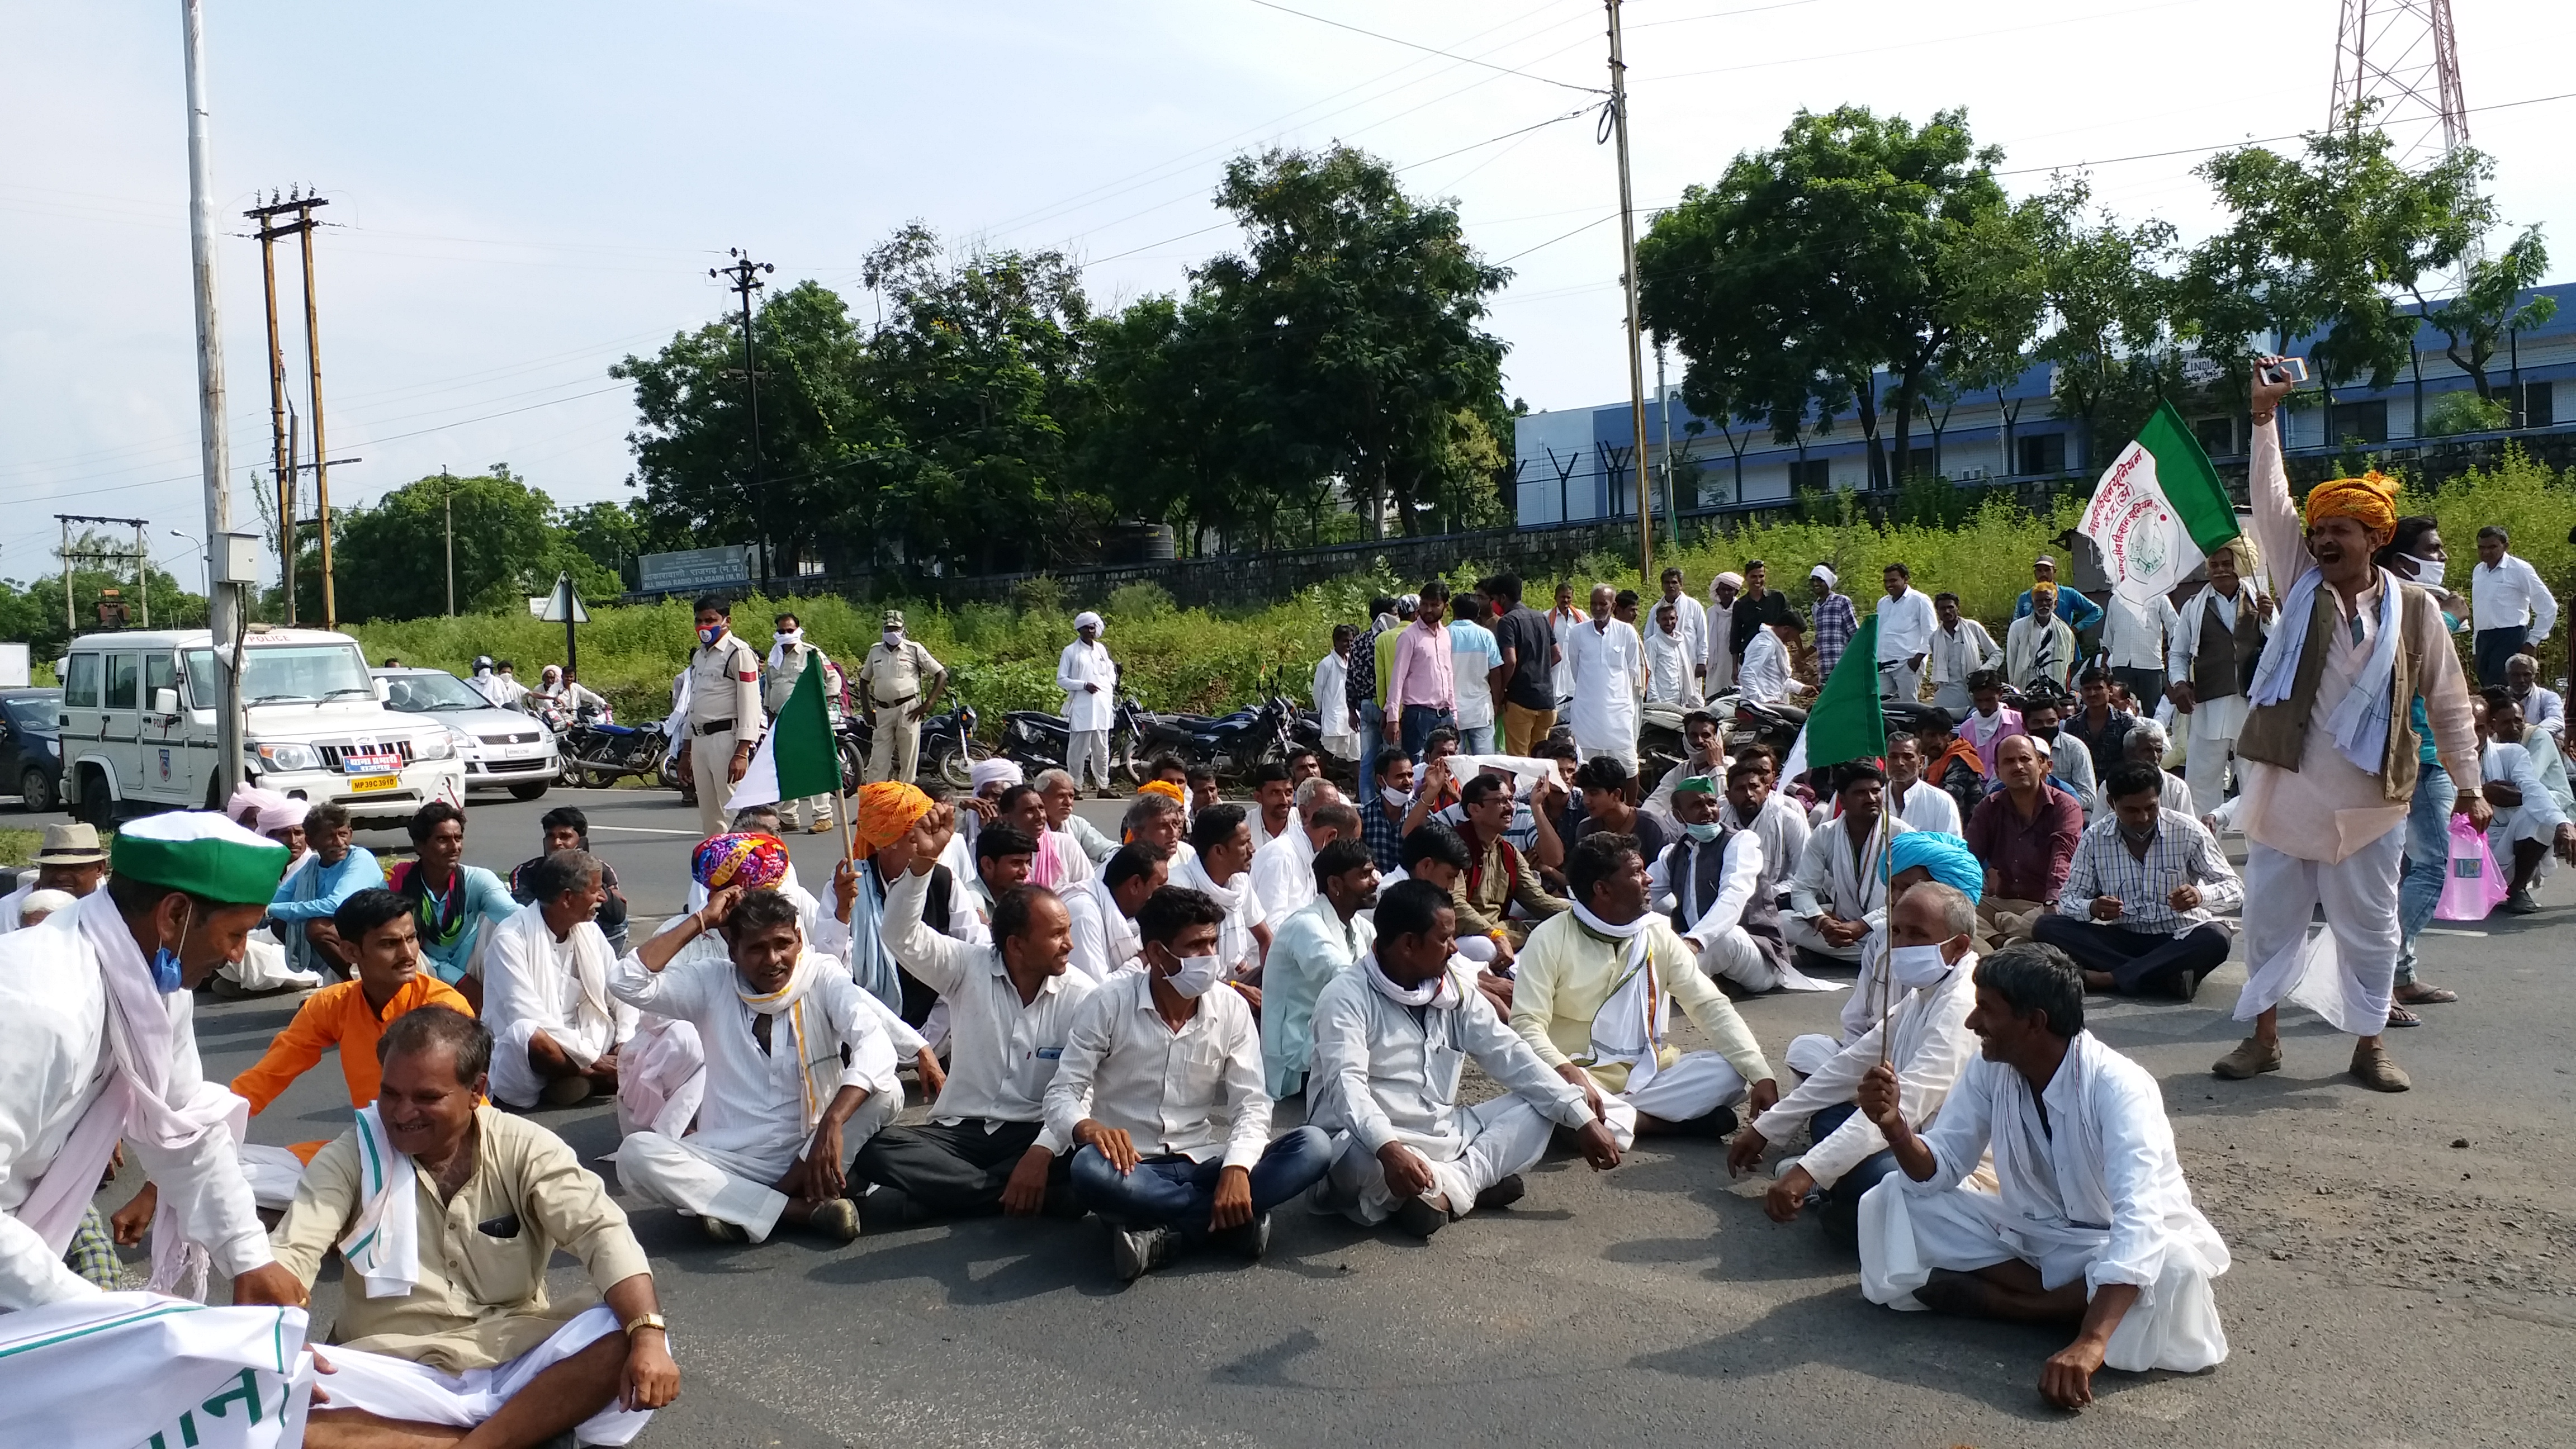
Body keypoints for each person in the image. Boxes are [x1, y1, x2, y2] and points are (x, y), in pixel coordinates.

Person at [2213, 361, 2485, 1094]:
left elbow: (2451, 701)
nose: (2324, 538)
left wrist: (2470, 785)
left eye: (2340, 530)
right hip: (2285, 792)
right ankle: (2263, 1040)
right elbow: (2271, 502)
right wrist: (2263, 418)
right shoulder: (2299, 581)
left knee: (2373, 927)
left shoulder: (2416, 611)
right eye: (2319, 529)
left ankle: (2369, 1047)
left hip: (2370, 801)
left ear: (2373, 538)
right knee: (2271, 923)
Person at [273, 1008, 678, 1446]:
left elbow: (602, 1232)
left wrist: (649, 1334)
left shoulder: (522, 1146)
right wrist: (270, 1344)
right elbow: (292, 1252)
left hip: (514, 1360)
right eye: (390, 1094)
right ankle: (519, 1434)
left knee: (627, 1336)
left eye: (426, 1098)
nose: (402, 1113)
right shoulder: (353, 1155)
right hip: (392, 1372)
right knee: (281, 1413)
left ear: (476, 1091)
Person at [1855, 943, 2229, 1410]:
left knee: (2175, 1268)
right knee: (1893, 1196)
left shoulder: (2121, 1087)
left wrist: (2092, 1342)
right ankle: (2058, 1302)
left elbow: (2141, 1216)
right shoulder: (1991, 1069)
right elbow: (1944, 1165)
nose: (1973, 1024)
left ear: (2034, 1022)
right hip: (2030, 1238)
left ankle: (2026, 1307)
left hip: (2110, 1246)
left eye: (1986, 1011)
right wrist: (1894, 1127)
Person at [0, 812, 305, 1311]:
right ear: (175, 915)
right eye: (237, 933)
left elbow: (183, 1125)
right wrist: (106, 1317)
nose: (238, 955)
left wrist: (250, 1257)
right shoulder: (42, 1005)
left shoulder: (157, 983)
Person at [1309, 878, 1622, 1238]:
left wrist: (1582, 1119)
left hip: (1444, 1135)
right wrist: (1390, 1149)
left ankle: (1450, 1189)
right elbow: (1346, 1087)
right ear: (1409, 944)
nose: (1455, 950)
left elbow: (1511, 1054)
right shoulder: (1345, 998)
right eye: (1444, 939)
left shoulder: (1453, 991)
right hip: (1371, 1145)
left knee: (1546, 1104)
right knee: (1356, 1160)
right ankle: (1461, 1185)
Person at [1046, 888, 1331, 1280]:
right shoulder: (1107, 1003)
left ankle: (1169, 1235)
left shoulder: (1230, 1007)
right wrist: (1086, 1126)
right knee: (1088, 1168)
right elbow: (1063, 1092)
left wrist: (1236, 1169)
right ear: (1158, 954)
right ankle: (1227, 1222)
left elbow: (1252, 1102)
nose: (1210, 957)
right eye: (1196, 946)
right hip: (1133, 1167)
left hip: (1204, 1160)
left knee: (1314, 1145)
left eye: (1213, 942)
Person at [610, 886, 897, 1244]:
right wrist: (702, 920)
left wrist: (833, 1121)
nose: (774, 959)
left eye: (783, 944)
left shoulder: (821, 975)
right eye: (757, 949)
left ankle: (742, 1207)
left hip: (812, 1151)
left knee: (887, 1090)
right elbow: (625, 981)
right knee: (637, 1155)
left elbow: (876, 1045)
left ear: (798, 939)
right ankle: (798, 1210)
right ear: (733, 951)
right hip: (729, 1160)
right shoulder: (711, 982)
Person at [855, 806, 1098, 1222]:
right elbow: (900, 935)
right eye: (1057, 935)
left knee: (1085, 1163)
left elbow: (1081, 1091)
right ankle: (1010, 1197)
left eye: (1068, 932)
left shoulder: (1083, 995)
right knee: (877, 1149)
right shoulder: (967, 966)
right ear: (1016, 946)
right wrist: (922, 866)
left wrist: (1039, 1156)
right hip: (959, 1132)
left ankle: (947, 1197)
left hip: (1034, 1131)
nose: (1069, 945)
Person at [1732, 881, 1980, 1249]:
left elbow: (1907, 1104)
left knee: (1872, 1180)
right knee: (1829, 1119)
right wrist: (1769, 1125)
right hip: (1908, 1137)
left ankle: (1850, 1199)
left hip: (1953, 1162)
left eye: (1917, 934)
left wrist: (1807, 1170)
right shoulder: (1927, 991)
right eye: (1896, 930)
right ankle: (1847, 1196)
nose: (1902, 944)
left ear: (1958, 946)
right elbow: (1852, 1062)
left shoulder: (1963, 1003)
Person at [1509, 833, 1779, 1142]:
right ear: (1603, 889)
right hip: (1578, 1073)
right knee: (1548, 1089)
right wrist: (1566, 1071)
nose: (1649, 878)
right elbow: (1526, 1025)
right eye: (1637, 873)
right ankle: (1669, 1126)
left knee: (1731, 1073)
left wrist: (1761, 1074)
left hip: (1648, 1073)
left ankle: (1598, 1121)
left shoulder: (1656, 935)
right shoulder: (1550, 937)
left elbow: (1708, 1005)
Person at [2034, 761, 2244, 1000]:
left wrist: (2200, 896)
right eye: (2131, 810)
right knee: (2047, 926)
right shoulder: (2095, 838)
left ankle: (2109, 978)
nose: (2143, 817)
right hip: (2124, 936)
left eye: (2150, 807)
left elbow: (2235, 888)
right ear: (2112, 804)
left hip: (2179, 935)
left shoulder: (2189, 831)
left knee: (2216, 937)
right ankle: (2164, 977)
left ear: (2159, 798)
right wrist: (2092, 907)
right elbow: (2069, 900)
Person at [481, 850, 632, 1109]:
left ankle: (575, 1079)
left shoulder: (589, 931)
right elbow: (526, 1015)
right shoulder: (511, 939)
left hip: (588, 1039)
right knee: (528, 1034)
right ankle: (591, 1078)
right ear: (567, 898)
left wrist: (625, 1043)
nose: (603, 898)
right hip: (530, 1056)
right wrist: (593, 1059)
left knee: (656, 1020)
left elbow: (620, 988)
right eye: (596, 890)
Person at [1258, 839, 1379, 1099]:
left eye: (1373, 872)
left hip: (1324, 1047)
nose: (1376, 881)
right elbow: (1344, 978)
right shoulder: (1304, 926)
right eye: (1364, 875)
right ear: (1335, 884)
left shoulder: (1359, 926)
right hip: (1296, 1061)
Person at [1654, 776, 1798, 992]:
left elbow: (1733, 896)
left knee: (1727, 937)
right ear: (1678, 815)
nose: (1707, 811)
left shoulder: (1740, 842)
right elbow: (1644, 896)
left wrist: (1695, 940)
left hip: (1757, 955)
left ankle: (1661, 990)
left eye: (1711, 803)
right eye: (1697, 805)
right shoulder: (1673, 854)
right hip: (1695, 947)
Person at [2166, 535, 2269, 816]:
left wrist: (2269, 618)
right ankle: (2204, 850)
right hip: (2208, 706)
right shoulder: (2193, 607)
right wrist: (2179, 684)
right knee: (2201, 783)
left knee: (2255, 780)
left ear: (2239, 566)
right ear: (2208, 569)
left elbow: (2281, 644)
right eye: (2215, 565)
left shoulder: (2259, 600)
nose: (2222, 570)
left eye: (2227, 564)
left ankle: (2261, 854)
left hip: (2250, 703)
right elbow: (2178, 654)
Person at [385, 801, 518, 1002]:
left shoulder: (477, 879)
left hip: (471, 965)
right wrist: (457, 979)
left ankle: (516, 1008)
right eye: (443, 840)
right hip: (420, 967)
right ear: (420, 846)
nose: (454, 847)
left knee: (503, 927)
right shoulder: (398, 881)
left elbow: (517, 916)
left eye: (458, 838)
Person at [1783, 762, 1914, 967]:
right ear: (1842, 800)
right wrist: (1822, 922)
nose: (1871, 798)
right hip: (1841, 925)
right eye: (1861, 793)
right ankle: (1871, 959)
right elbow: (1802, 889)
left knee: (1900, 939)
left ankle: (1855, 956)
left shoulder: (1903, 835)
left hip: (1885, 926)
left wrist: (1863, 925)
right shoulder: (1826, 833)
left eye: (1876, 791)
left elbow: (1910, 898)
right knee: (1784, 921)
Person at [1965, 735, 2084, 941]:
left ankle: (1999, 939)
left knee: (2058, 926)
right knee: (1954, 913)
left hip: (2045, 904)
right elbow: (1967, 857)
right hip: (2001, 902)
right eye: (2009, 762)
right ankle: (2007, 942)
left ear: (2041, 764)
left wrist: (2052, 902)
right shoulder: (1989, 807)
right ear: (1998, 771)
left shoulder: (2065, 805)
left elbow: (2062, 858)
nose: (2018, 767)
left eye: (2025, 759)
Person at [1450, 771, 1568, 963]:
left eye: (1511, 800)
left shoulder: (1508, 852)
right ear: (1474, 809)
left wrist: (1583, 915)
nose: (1511, 807)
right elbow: (1457, 907)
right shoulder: (1454, 846)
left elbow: (1537, 900)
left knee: (1566, 921)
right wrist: (1494, 934)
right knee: (1485, 948)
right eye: (1501, 801)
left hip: (1499, 930)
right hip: (1465, 936)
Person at [2478, 690, 2576, 915]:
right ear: (2494, 726)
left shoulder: (2519, 750)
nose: (2514, 727)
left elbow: (2530, 790)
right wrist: (2478, 793)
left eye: (2518, 721)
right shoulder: (2454, 753)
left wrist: (2562, 823)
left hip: (2523, 825)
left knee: (2542, 809)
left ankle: (2517, 889)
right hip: (2472, 844)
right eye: (2506, 723)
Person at [680, 595, 767, 839]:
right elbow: (693, 705)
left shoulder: (738, 653)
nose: (704, 626)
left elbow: (750, 703)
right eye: (699, 621)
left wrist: (742, 751)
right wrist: (686, 752)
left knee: (735, 811)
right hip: (700, 740)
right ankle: (718, 866)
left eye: (711, 620)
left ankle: (749, 861)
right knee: (710, 816)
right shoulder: (700, 655)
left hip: (726, 740)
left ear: (727, 620)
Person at [267, 802, 383, 978]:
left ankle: (360, 985)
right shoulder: (311, 867)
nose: (339, 843)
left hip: (375, 931)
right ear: (312, 841)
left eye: (343, 834)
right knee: (280, 924)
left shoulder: (360, 858)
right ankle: (334, 980)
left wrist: (269, 910)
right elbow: (276, 900)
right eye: (329, 837)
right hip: (349, 935)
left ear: (350, 835)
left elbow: (336, 905)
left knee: (318, 928)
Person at [509, 806, 631, 955]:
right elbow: (527, 911)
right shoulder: (526, 872)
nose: (557, 843)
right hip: (543, 939)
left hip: (588, 939)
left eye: (565, 836)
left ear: (582, 842)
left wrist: (582, 872)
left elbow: (617, 914)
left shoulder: (601, 870)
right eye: (551, 836)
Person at [1172, 803, 1270, 989]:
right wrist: (1236, 990)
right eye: (1244, 843)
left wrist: (1271, 987)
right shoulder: (1181, 889)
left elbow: (1266, 939)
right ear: (1219, 851)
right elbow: (1184, 974)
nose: (1253, 849)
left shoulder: (1239, 881)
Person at [856, 608, 949, 787]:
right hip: (882, 710)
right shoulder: (875, 651)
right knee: (878, 761)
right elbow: (864, 680)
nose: (892, 633)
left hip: (909, 709)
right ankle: (875, 801)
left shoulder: (914, 649)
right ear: (883, 630)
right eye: (888, 629)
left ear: (903, 630)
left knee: (908, 761)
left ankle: (905, 802)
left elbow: (941, 674)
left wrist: (928, 704)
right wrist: (867, 709)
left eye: (896, 629)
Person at [1566, 583, 1645, 770]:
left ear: (1614, 606)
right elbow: (1576, 670)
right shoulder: (1578, 633)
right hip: (1587, 713)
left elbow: (1632, 670)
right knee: (1585, 766)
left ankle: (1628, 801)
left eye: (1603, 604)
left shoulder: (1627, 632)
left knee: (1628, 767)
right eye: (1593, 604)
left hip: (1618, 714)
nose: (1597, 609)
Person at [2470, 524, 2558, 687]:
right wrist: (2476, 649)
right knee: (2487, 689)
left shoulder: (2519, 569)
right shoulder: (2479, 571)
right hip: (2484, 638)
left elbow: (2548, 606)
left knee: (2505, 690)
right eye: (2481, 547)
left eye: (2492, 547)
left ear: (2506, 546)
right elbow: (2480, 611)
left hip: (2510, 636)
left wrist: (2532, 641)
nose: (2486, 552)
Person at [1250, 785, 1353, 920]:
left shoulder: (1308, 854)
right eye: (1346, 845)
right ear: (1331, 836)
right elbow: (1272, 926)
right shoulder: (1281, 856)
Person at [1385, 578, 1460, 764]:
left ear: (1445, 607)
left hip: (1445, 714)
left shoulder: (1446, 635)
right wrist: (1392, 718)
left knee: (1449, 767)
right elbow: (1397, 678)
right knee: (1418, 767)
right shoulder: (1409, 636)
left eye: (1434, 605)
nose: (1428, 610)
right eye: (1424, 604)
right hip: (1418, 715)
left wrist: (1454, 713)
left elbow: (1448, 674)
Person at [1480, 574, 1555, 756]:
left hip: (1521, 702)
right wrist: (1539, 668)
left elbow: (1511, 660)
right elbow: (1557, 654)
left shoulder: (1508, 621)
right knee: (1540, 759)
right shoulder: (1541, 617)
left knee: (1518, 760)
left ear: (1503, 598)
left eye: (1494, 599)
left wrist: (1502, 691)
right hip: (1547, 701)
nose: (1493, 604)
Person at [0, 822, 107, 932]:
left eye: (74, 868)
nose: (61, 877)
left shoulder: (115, 906)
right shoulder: (10, 909)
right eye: (52, 868)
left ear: (99, 869)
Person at [1057, 610, 1120, 794]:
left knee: (1102, 751)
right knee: (1077, 753)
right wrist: (1083, 685)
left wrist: (1109, 683)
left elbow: (1110, 670)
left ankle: (1104, 787)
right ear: (1080, 629)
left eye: (1093, 627)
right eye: (1087, 628)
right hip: (1082, 708)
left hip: (1102, 707)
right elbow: (1061, 679)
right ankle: (1075, 787)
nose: (1091, 631)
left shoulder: (1101, 649)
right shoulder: (1071, 652)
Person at [1349, 595, 1401, 798]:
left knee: (1367, 760)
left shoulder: (1359, 641)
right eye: (1395, 614)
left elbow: (1350, 676)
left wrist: (1351, 709)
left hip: (1364, 706)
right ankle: (1391, 801)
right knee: (1391, 758)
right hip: (1384, 705)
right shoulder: (1388, 640)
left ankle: (1368, 802)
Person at [1444, 589, 1504, 754]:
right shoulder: (1486, 636)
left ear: (1453, 611)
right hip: (1481, 709)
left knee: (1456, 767)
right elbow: (1496, 672)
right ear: (1477, 612)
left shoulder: (1444, 635)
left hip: (1452, 711)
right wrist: (1497, 702)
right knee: (1485, 763)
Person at [2020, 692, 2098, 816]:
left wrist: (2055, 802)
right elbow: (1994, 787)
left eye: (2051, 721)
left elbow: (2089, 796)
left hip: (2063, 812)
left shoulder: (2075, 748)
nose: (2045, 727)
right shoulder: (2014, 748)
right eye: (2038, 723)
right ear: (2025, 726)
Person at [1925, 593, 2002, 718]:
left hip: (1974, 691)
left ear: (1958, 608)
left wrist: (1982, 672)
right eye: (1943, 609)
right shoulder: (1934, 638)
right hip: (1948, 694)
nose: (1947, 611)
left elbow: (1997, 653)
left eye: (1951, 607)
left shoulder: (1972, 627)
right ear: (1937, 611)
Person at [2103, 590, 2179, 716]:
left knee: (2153, 710)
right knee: (2122, 708)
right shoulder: (2115, 599)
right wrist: (2105, 659)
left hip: (2150, 664)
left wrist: (2173, 650)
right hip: (2122, 664)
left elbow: (2175, 624)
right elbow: (2109, 631)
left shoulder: (2158, 596)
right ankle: (2126, 735)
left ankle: (2154, 735)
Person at [2095, 721, 2192, 818]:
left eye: (2159, 750)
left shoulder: (2177, 787)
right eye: (2147, 750)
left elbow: (2188, 826)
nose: (2155, 756)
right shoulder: (2108, 786)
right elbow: (2097, 826)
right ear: (2129, 753)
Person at [1873, 563, 1938, 702]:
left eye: (1893, 580)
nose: (1889, 585)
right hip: (1882, 666)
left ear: (1906, 579)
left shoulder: (1919, 600)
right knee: (1882, 708)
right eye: (1886, 581)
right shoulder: (1883, 603)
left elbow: (1931, 633)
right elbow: (1880, 633)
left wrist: (1916, 661)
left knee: (1908, 707)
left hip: (1906, 664)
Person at [2064, 666, 2135, 785]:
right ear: (2081, 692)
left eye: (2098, 688)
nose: (2092, 694)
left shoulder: (2126, 723)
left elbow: (2134, 760)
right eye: (2087, 689)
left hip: (2119, 789)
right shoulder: (2072, 724)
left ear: (2110, 690)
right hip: (2082, 789)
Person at [1883, 731, 1963, 836]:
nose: (1900, 763)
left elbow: (1951, 847)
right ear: (1885, 761)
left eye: (1908, 757)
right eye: (1893, 757)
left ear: (1921, 762)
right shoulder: (1876, 800)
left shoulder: (1940, 801)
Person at [1916, 711, 1988, 823]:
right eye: (1932, 735)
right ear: (1919, 736)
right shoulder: (1922, 759)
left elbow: (1946, 800)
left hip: (1964, 828)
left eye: (1943, 735)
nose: (1938, 742)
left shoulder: (1961, 761)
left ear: (1950, 736)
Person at [2006, 583, 2078, 693]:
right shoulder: (2018, 627)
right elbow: (2012, 662)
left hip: (2055, 687)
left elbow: (2067, 665)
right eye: (2039, 601)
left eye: (2048, 600)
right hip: (2026, 687)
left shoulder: (2065, 631)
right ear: (2033, 603)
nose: (2043, 604)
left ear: (2055, 604)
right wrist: (2015, 690)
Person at [1039, 768, 1119, 865]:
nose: (1068, 803)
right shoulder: (1027, 827)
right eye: (1061, 796)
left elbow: (1107, 850)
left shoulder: (1077, 825)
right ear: (1040, 798)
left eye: (1071, 796)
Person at [2011, 555, 2106, 634]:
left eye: (2047, 570)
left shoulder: (2068, 594)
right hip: (2034, 648)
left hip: (2064, 645)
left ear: (2054, 572)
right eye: (2039, 571)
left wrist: (2075, 628)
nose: (2043, 574)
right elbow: (2015, 626)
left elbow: (2097, 611)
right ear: (2035, 573)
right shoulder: (2025, 598)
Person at [1959, 669, 2025, 776]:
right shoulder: (1966, 729)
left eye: (1989, 700)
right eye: (1979, 701)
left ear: (2000, 694)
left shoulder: (2019, 722)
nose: (1984, 706)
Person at [1736, 610, 1805, 707]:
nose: (1792, 640)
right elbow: (1746, 675)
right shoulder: (1765, 644)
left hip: (1771, 704)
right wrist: (1763, 702)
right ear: (1786, 629)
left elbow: (1776, 679)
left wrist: (1801, 688)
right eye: (1793, 636)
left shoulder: (1774, 644)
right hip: (1759, 707)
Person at [1314, 623, 1361, 763]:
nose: (1349, 644)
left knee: (1356, 756)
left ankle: (1357, 785)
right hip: (1333, 716)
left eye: (1351, 641)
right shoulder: (1326, 664)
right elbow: (1317, 692)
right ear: (1336, 642)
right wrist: (1323, 711)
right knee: (1329, 752)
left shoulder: (1352, 662)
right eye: (1345, 641)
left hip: (1351, 716)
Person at [1643, 599, 1699, 707]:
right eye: (1664, 619)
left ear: (1677, 619)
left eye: (1672, 618)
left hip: (1679, 700)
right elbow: (1649, 674)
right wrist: (1655, 700)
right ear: (1658, 621)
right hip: (1661, 700)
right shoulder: (1652, 643)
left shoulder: (1679, 642)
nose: (1669, 623)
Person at [2505, 652, 2566, 745]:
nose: (2521, 680)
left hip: (2537, 744)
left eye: (2526, 675)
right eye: (2515, 675)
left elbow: (2556, 720)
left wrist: (2528, 733)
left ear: (2535, 676)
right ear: (2507, 676)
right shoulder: (2501, 697)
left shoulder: (2548, 697)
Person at [1704, 571, 1743, 697]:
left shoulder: (1741, 611)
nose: (1726, 593)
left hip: (1735, 661)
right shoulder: (1711, 612)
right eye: (1723, 589)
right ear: (1718, 591)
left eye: (1730, 590)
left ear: (1735, 592)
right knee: (1715, 694)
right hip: (1716, 662)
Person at [1244, 760, 1297, 852]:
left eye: (1289, 793)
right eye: (1275, 793)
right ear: (1258, 797)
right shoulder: (1244, 826)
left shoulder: (1304, 822)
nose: (1284, 800)